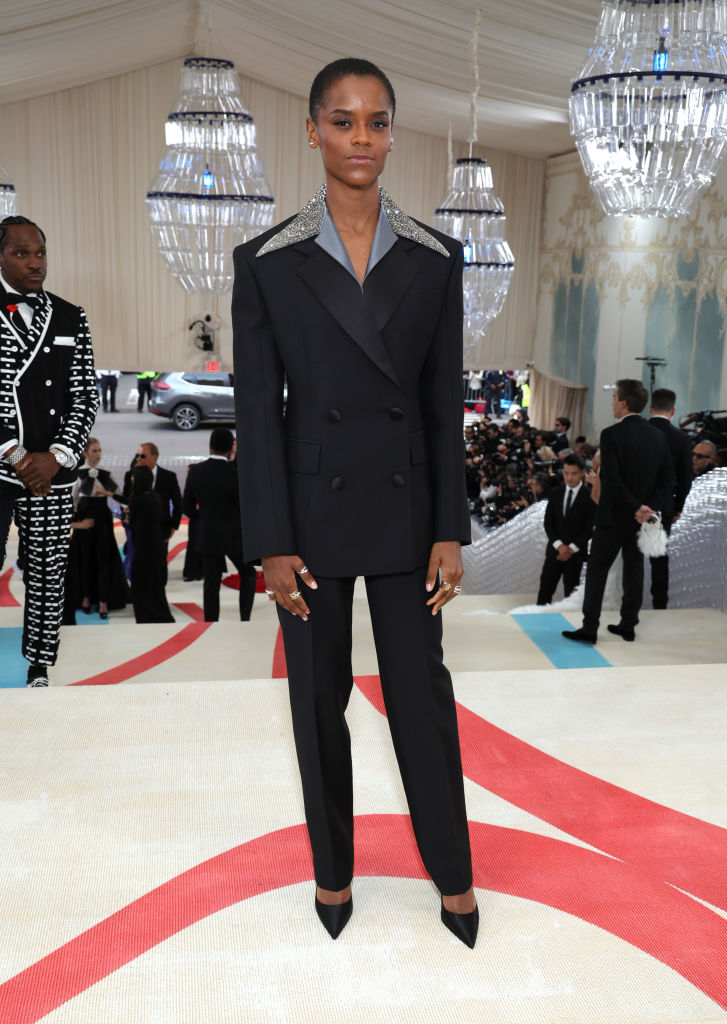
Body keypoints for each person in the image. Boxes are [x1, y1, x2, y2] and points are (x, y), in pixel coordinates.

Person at [232, 58, 477, 947]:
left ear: (392, 134)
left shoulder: (435, 256)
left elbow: (441, 402)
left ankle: (453, 876)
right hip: (308, 519)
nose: (360, 138)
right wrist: (269, 540)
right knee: (315, 704)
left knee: (421, 700)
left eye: (376, 121)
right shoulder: (266, 261)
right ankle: (331, 874)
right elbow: (258, 415)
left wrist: (448, 526)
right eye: (342, 121)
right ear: (312, 131)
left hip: (408, 516)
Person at [0, 215, 99, 686]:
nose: (35, 263)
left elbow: (85, 396)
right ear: (1, 257)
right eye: (21, 253)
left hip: (52, 473)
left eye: (39, 253)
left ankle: (39, 667)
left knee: (47, 572)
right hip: (4, 466)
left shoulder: (69, 315)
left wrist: (56, 455)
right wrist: (16, 455)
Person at [563, 379, 673, 645]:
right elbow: (667, 479)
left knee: (597, 570)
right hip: (643, 519)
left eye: (614, 397)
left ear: (623, 403)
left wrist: (636, 507)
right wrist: (647, 508)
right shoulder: (658, 436)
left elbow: (611, 480)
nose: (612, 402)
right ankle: (628, 625)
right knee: (634, 570)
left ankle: (590, 628)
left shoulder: (611, 434)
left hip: (613, 517)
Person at [182, 427, 256, 621]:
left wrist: (202, 519)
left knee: (211, 582)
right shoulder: (235, 474)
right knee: (248, 574)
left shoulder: (195, 471)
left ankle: (210, 621)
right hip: (234, 535)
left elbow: (187, 507)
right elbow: (244, 508)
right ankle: (245, 619)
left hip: (208, 534)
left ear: (210, 446)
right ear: (231, 449)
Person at [70, 437, 128, 619]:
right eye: (94, 451)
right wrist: (76, 523)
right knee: (85, 560)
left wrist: (123, 507)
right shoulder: (78, 474)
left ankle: (103, 601)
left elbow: (119, 495)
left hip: (103, 521)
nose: (98, 454)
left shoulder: (105, 472)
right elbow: (73, 501)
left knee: (104, 561)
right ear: (85, 453)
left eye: (99, 450)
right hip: (85, 521)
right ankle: (86, 598)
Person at [648, 389, 693, 609]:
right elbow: (685, 479)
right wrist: (677, 507)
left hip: (632, 505)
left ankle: (629, 605)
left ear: (650, 408)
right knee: (658, 557)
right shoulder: (681, 439)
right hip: (662, 507)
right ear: (673, 410)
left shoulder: (637, 432)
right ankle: (659, 606)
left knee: (631, 556)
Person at [537, 453, 594, 604]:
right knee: (545, 590)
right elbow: (548, 523)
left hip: (575, 554)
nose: (569, 477)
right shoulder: (555, 493)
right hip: (554, 551)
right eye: (566, 473)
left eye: (574, 473)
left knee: (571, 594)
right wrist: (559, 546)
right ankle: (539, 617)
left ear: (582, 473)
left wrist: (570, 549)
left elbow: (589, 529)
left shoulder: (589, 497)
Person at [122, 442, 182, 578]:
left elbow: (178, 502)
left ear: (154, 457)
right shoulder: (129, 475)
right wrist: (127, 521)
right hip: (137, 530)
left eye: (142, 456)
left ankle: (159, 589)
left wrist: (174, 525)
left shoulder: (168, 476)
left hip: (161, 530)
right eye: (137, 455)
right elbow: (125, 501)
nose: (138, 459)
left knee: (159, 565)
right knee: (139, 565)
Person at [127, 464, 175, 623]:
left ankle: (146, 615)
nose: (131, 479)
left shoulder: (137, 499)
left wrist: (129, 520)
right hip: (156, 545)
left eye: (133, 476)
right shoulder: (154, 496)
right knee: (155, 583)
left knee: (141, 583)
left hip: (144, 547)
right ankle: (159, 613)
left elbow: (139, 527)